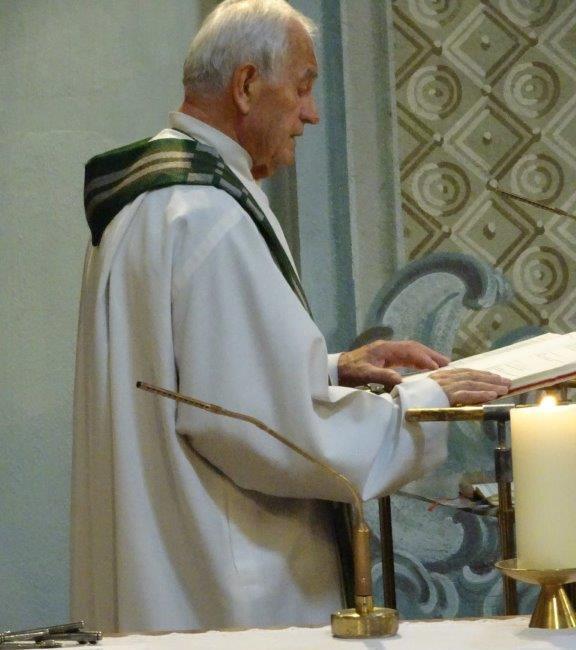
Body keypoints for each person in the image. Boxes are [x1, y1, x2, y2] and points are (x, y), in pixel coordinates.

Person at [71, 0, 510, 633]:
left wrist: (333, 369)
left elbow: (194, 373)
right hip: (224, 586)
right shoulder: (209, 214)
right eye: (302, 88)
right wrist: (420, 405)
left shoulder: (152, 201)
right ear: (247, 85)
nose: (312, 113)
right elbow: (261, 430)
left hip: (164, 562)